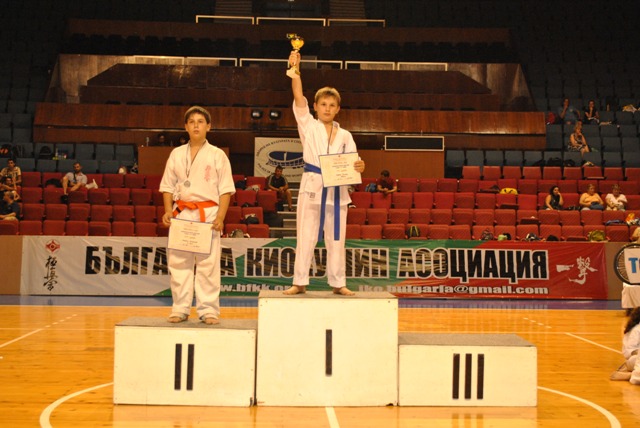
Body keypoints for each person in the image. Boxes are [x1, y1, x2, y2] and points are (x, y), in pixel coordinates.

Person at [283, 49, 365, 296]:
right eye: (323, 105)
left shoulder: (346, 136)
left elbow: (353, 163)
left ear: (338, 108)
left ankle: (338, 283)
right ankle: (299, 282)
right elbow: (298, 96)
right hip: (312, 186)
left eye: (332, 105)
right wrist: (295, 71)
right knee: (305, 236)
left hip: (337, 191)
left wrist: (359, 166)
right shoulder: (308, 126)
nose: (327, 109)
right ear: (316, 107)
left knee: (336, 239)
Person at [159, 106, 235, 325]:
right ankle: (180, 308)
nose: (196, 125)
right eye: (191, 122)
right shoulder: (176, 154)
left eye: (200, 121)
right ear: (186, 126)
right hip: (181, 212)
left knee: (208, 264)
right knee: (179, 262)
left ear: (208, 126)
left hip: (207, 214)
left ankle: (208, 309)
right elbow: (167, 186)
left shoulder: (217, 155)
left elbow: (226, 189)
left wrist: (220, 216)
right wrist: (168, 210)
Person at [611, 307, 640, 383]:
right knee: (634, 359)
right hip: (635, 360)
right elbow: (629, 351)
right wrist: (637, 352)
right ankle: (631, 375)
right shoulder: (636, 330)